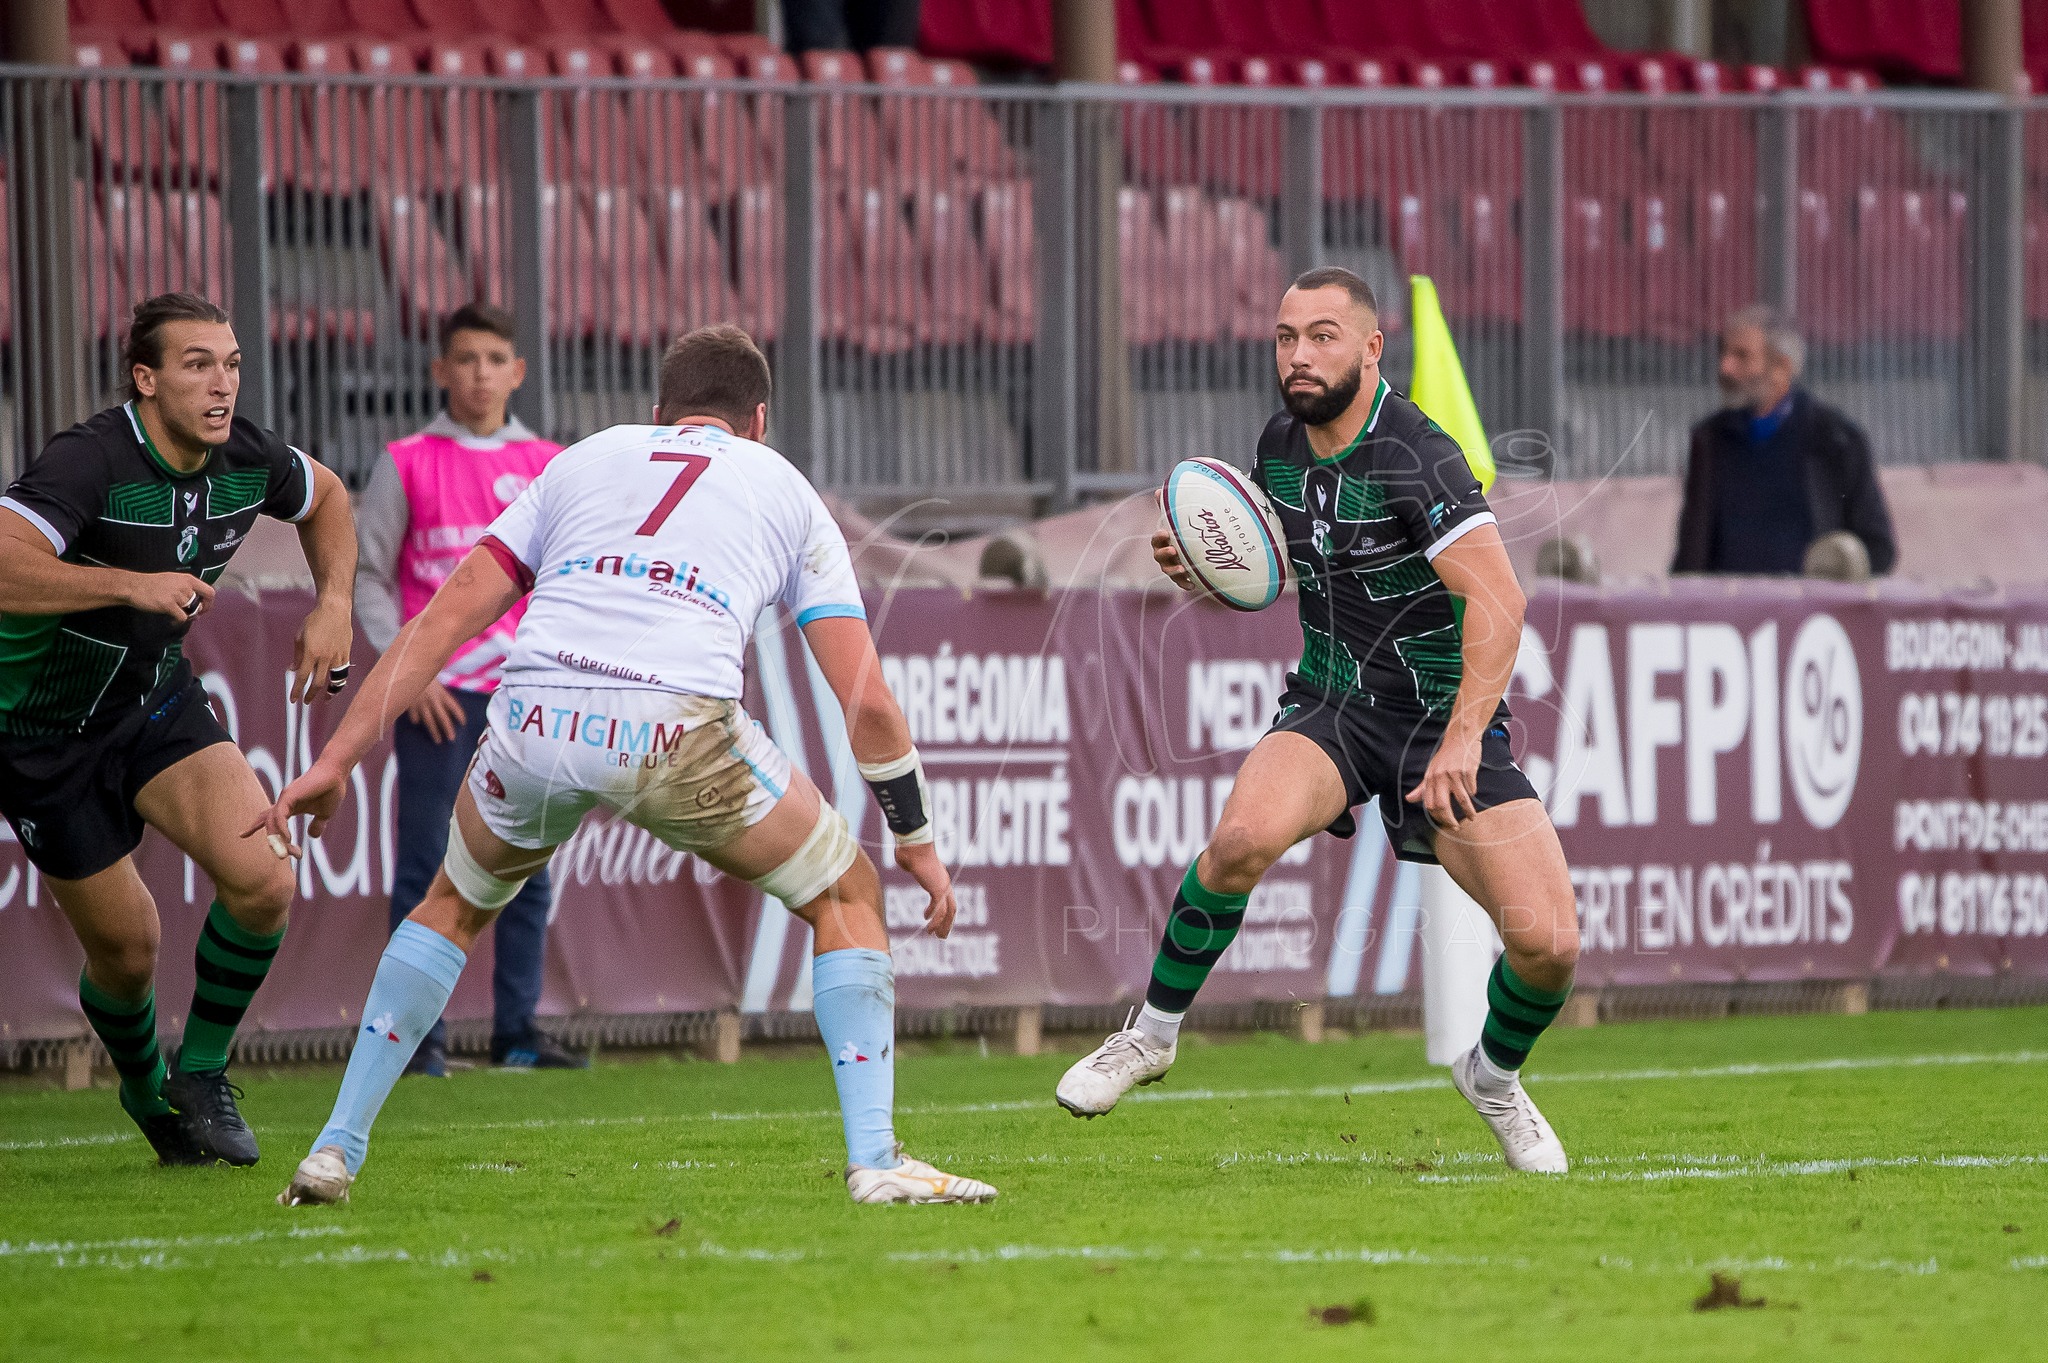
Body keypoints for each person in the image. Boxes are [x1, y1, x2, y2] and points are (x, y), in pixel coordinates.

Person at [256, 325, 996, 1208]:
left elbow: (445, 617)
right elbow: (867, 702)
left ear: (658, 413)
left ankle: (334, 1150)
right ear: (759, 421)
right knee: (848, 894)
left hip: (532, 715)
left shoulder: (584, 458)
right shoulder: (785, 488)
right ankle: (875, 1157)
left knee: (449, 906)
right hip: (674, 728)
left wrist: (336, 758)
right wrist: (916, 838)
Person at [1055, 268, 1582, 1173]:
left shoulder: (1418, 455)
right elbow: (1304, 563)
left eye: (1323, 336)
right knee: (1238, 842)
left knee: (1550, 946)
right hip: (1333, 704)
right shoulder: (1279, 445)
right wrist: (1209, 566)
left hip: (1437, 721)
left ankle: (1493, 1077)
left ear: (1372, 348)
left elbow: (1500, 600)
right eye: (1286, 336)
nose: (1298, 355)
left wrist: (1464, 739)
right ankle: (1150, 1035)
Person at [0, 292, 357, 1167]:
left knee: (265, 878)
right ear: (147, 378)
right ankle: (142, 1085)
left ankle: (200, 1074)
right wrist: (130, 584)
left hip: (150, 696)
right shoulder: (90, 460)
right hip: (39, 728)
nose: (222, 383)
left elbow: (328, 496)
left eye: (230, 364)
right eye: (198, 365)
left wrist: (335, 603)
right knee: (129, 952)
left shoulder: (247, 455)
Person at [354, 303, 582, 1075]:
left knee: (527, 866)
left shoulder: (551, 463)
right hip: (441, 699)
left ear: (517, 372)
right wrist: (407, 671)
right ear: (440, 370)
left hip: (525, 697)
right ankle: (414, 1040)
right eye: (466, 358)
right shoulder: (406, 459)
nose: (480, 373)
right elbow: (369, 578)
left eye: (494, 359)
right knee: (427, 866)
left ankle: (517, 1032)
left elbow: (567, 578)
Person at [1672, 305, 1897, 576]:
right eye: (1724, 353)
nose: (1725, 367)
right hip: (1729, 601)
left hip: (1812, 603)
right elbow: (1691, 555)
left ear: (1781, 367)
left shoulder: (1836, 440)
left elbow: (1878, 548)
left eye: (1742, 356)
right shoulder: (1710, 440)